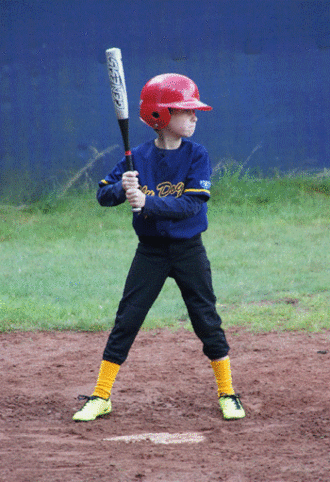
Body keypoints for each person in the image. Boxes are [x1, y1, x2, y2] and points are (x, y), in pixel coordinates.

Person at [73, 73, 245, 422]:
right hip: (150, 252)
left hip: (188, 251)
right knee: (127, 320)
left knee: (206, 320)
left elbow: (191, 205)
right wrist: (123, 187)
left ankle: (227, 392)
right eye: (187, 111)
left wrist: (146, 201)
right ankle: (101, 395)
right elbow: (103, 195)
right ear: (161, 116)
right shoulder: (136, 157)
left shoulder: (197, 155)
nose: (195, 116)